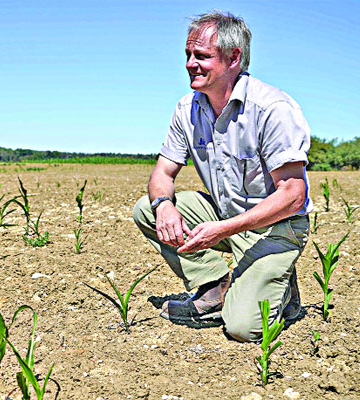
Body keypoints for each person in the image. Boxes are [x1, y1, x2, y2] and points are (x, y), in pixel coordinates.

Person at [132, 11, 312, 342]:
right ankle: (213, 286)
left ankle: (283, 289)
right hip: (226, 216)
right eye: (188, 55)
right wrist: (163, 205)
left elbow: (293, 195)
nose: (190, 64)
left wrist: (223, 230)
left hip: (275, 226)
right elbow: (162, 172)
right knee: (147, 208)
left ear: (233, 58)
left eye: (201, 56)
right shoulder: (187, 108)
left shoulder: (272, 108)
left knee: (243, 329)